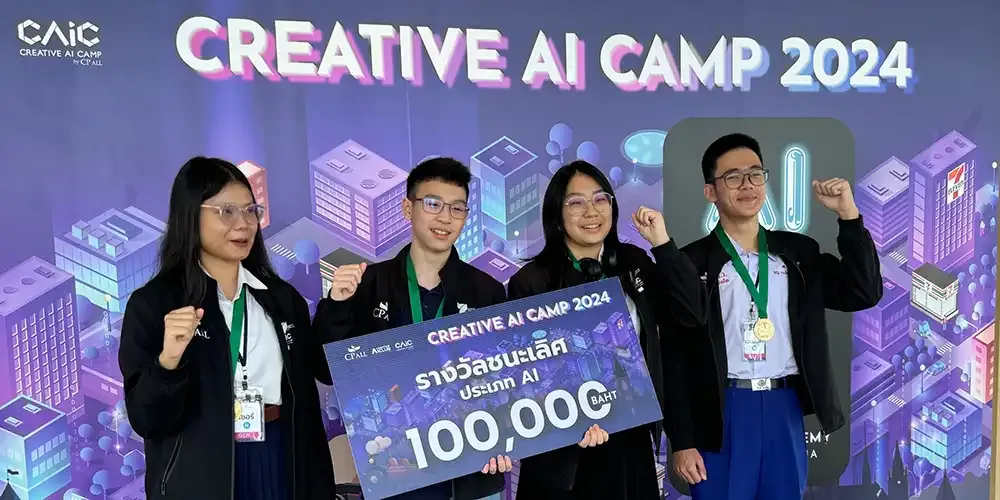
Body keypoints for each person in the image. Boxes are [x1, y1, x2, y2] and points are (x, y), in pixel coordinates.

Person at [667, 133, 883, 499]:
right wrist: (682, 440)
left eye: (755, 174)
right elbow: (675, 357)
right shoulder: (690, 263)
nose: (747, 185)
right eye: (733, 177)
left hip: (784, 405)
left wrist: (849, 216)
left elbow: (864, 291)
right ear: (710, 192)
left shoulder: (799, 253)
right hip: (721, 409)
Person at [119, 157, 335, 500]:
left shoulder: (281, 299)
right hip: (204, 473)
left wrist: (338, 306)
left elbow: (320, 373)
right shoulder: (154, 305)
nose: (244, 223)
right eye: (227, 212)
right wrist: (168, 361)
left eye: (251, 211)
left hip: (280, 456)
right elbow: (147, 420)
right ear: (191, 215)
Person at [507, 160, 707, 500]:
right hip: (562, 454)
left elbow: (692, 314)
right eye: (576, 202)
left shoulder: (633, 263)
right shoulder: (531, 282)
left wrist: (662, 244)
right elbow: (523, 375)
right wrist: (570, 421)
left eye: (601, 199)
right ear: (557, 215)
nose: (592, 211)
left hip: (629, 442)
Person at [314, 157, 510, 500]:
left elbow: (506, 375)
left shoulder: (487, 291)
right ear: (408, 208)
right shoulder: (368, 284)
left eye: (457, 208)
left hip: (471, 470)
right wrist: (337, 304)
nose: (445, 218)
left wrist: (506, 436)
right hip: (395, 468)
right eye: (433, 204)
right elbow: (325, 370)